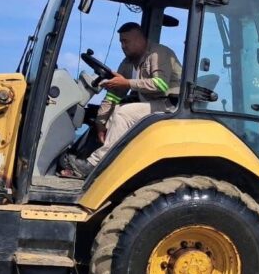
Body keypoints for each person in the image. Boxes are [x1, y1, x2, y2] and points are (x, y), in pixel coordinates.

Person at [61, 21, 182, 178]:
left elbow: (160, 84)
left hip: (171, 106)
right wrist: (100, 122)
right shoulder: (128, 63)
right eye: (121, 42)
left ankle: (93, 165)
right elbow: (115, 93)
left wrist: (127, 82)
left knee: (123, 113)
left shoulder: (159, 53)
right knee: (109, 113)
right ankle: (80, 161)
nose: (123, 46)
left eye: (126, 41)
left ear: (140, 40)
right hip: (150, 104)